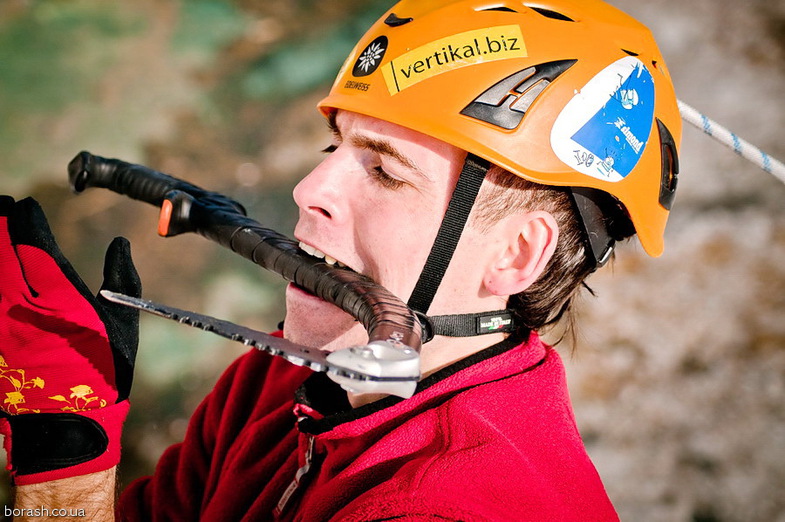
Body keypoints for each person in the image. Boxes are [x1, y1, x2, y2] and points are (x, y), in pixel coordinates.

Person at [1, 0, 681, 519]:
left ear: (513, 253)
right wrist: (72, 443)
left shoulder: (447, 506)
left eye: (385, 173)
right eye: (336, 149)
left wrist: (61, 463)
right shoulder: (270, 385)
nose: (309, 190)